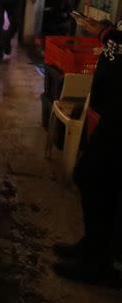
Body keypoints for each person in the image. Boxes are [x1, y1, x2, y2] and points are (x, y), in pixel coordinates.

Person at [52, 14, 122, 286]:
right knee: (96, 177)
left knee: (93, 175)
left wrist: (105, 35)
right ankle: (94, 247)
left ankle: (98, 262)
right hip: (114, 106)